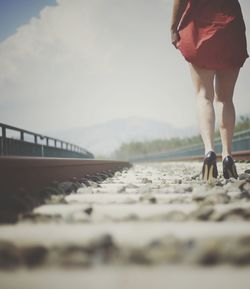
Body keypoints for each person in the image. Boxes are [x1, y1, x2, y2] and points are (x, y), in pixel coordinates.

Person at [170, 0, 248, 181]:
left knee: (204, 95)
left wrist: (173, 28)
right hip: (230, 29)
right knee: (225, 99)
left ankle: (209, 152)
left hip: (200, 29)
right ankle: (228, 155)